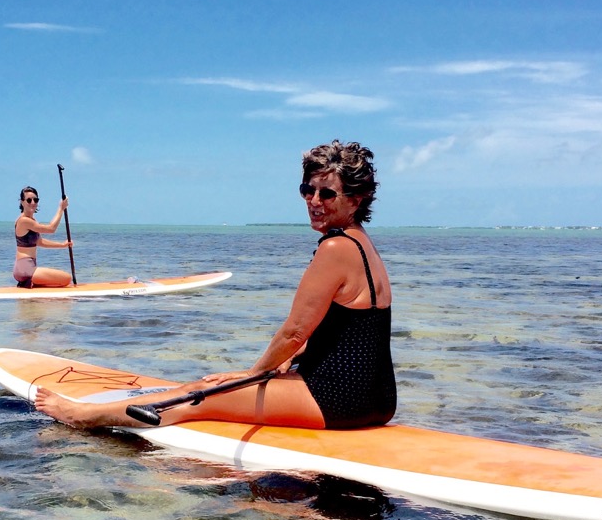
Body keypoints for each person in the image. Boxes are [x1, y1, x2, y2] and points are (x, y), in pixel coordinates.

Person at [35, 140, 396, 429]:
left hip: (337, 398)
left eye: (327, 194)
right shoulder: (362, 244)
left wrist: (251, 377)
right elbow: (347, 331)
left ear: (356, 199)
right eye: (307, 190)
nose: (314, 202)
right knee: (214, 385)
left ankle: (79, 415)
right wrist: (284, 365)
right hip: (378, 398)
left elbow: (294, 333)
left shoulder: (335, 248)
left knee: (199, 393)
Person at [13, 185, 73, 288]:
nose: (33, 203)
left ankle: (29, 284)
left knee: (59, 280)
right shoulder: (24, 221)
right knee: (67, 279)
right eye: (29, 200)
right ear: (22, 202)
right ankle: (29, 281)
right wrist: (61, 209)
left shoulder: (32, 221)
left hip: (25, 268)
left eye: (35, 200)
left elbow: (40, 242)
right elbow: (51, 229)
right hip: (25, 267)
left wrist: (62, 245)